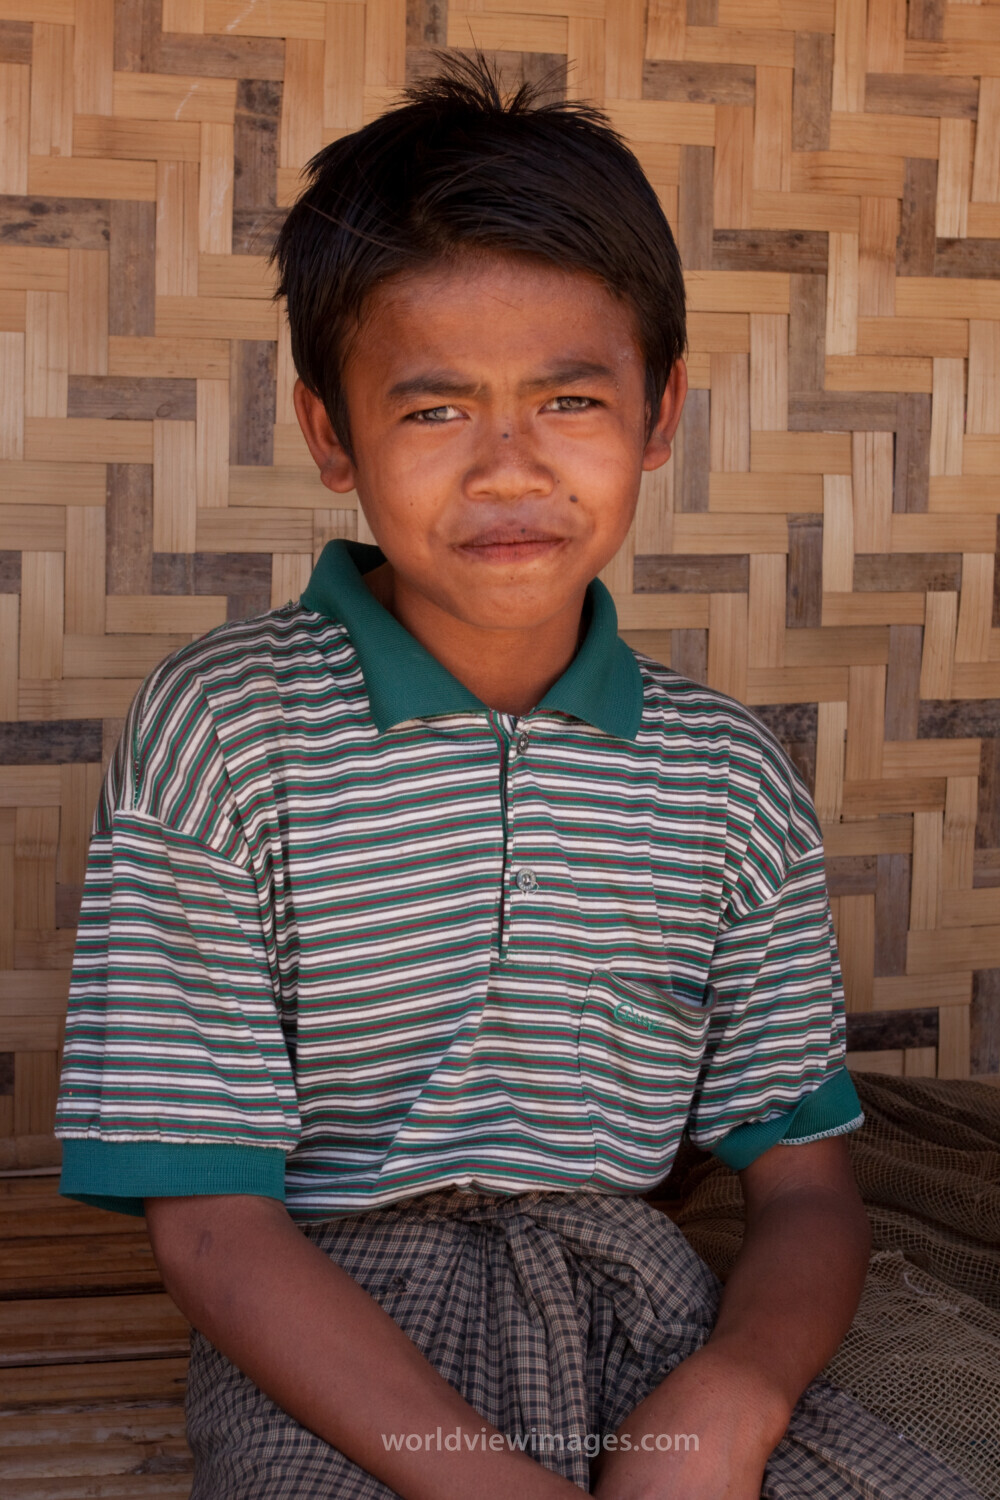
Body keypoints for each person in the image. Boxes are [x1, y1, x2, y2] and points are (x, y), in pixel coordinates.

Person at [54, 55, 978, 1500]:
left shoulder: (727, 778)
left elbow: (803, 1188)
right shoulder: (222, 732)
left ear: (658, 415)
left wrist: (724, 1404)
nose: (506, 468)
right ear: (329, 432)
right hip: (335, 1348)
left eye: (568, 400)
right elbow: (213, 1224)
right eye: (433, 410)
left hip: (649, 1314)